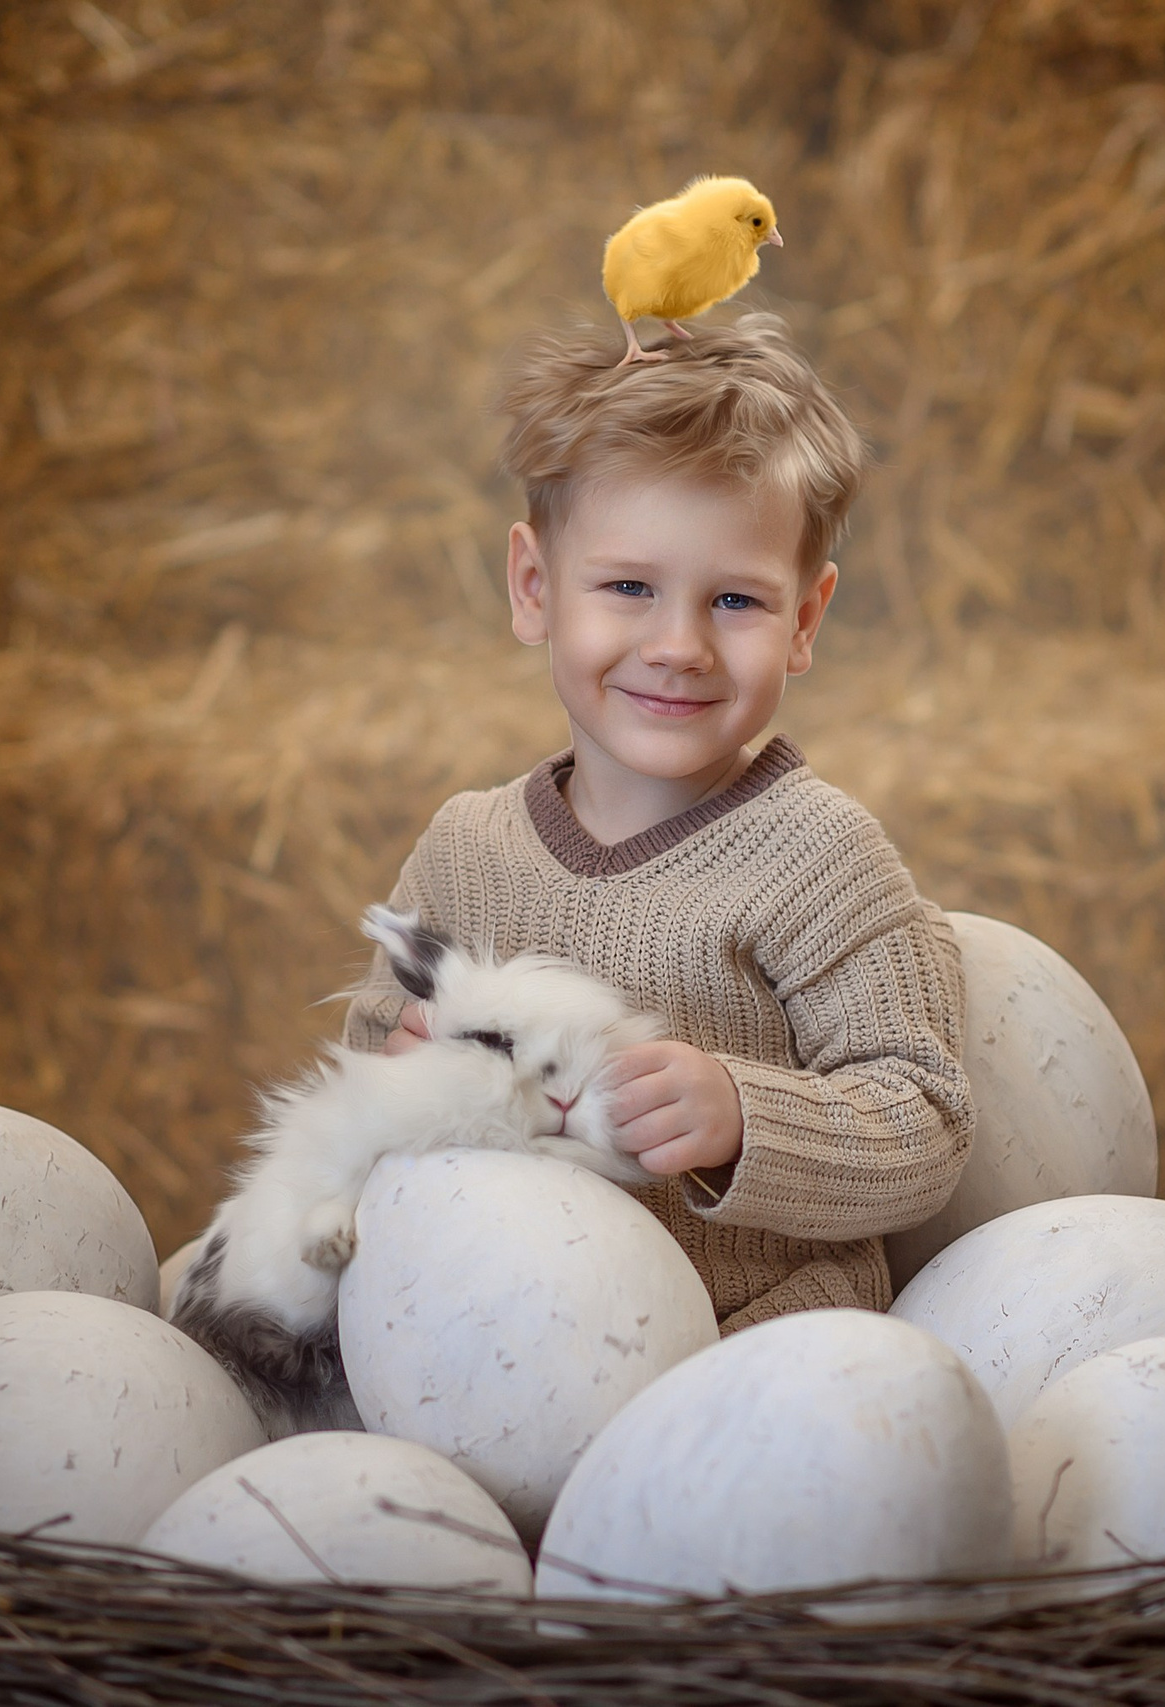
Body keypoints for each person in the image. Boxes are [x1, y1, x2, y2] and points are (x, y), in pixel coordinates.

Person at [343, 312, 971, 1330]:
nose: (677, 645)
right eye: (629, 587)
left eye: (734, 601)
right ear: (535, 587)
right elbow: (374, 1043)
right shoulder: (466, 852)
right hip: (498, 1336)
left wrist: (742, 1116)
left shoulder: (821, 862)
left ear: (805, 621)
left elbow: (927, 1118)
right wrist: (404, 1074)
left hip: (744, 1340)